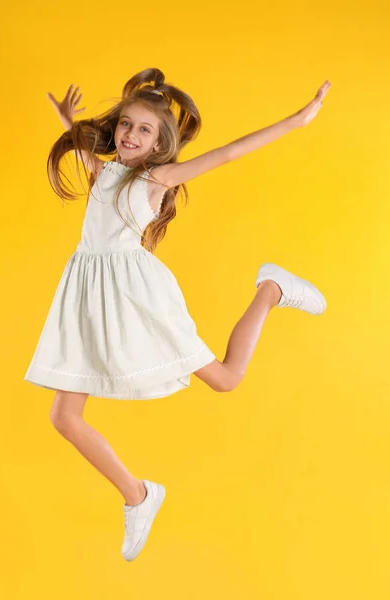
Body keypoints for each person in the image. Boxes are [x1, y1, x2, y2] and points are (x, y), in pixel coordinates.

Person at [24, 68, 331, 561]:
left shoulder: (156, 179)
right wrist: (69, 121)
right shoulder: (106, 172)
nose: (129, 135)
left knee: (227, 379)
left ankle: (271, 289)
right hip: (88, 299)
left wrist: (297, 120)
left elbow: (228, 152)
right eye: (126, 124)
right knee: (64, 416)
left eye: (144, 130)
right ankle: (139, 495)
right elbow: (92, 162)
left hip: (138, 300)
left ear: (160, 143)